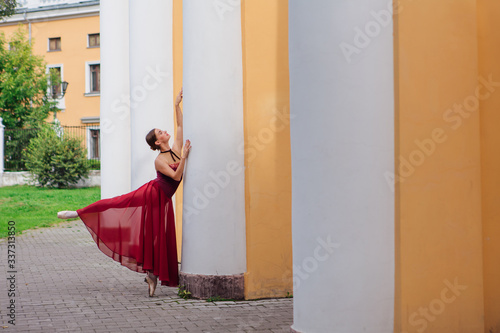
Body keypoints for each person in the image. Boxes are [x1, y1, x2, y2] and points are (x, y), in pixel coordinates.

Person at [57, 89, 191, 297]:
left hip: (163, 200)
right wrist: (184, 158)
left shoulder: (175, 149)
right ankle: (78, 212)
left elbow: (181, 126)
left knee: (157, 238)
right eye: (161, 132)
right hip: (151, 194)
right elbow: (176, 177)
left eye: (163, 130)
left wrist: (177, 105)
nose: (166, 132)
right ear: (157, 142)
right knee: (116, 202)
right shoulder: (160, 160)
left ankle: (151, 276)